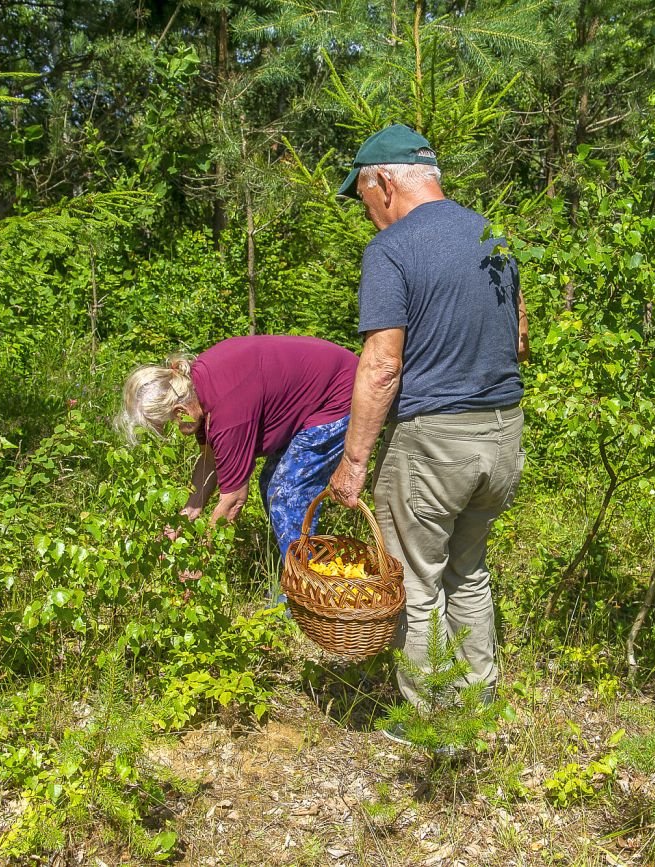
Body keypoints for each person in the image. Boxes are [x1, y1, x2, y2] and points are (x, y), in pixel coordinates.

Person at [327, 124, 529, 724]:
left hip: (434, 442)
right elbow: (520, 338)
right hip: (503, 433)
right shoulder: (494, 237)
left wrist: (354, 461)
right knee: (469, 573)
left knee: (415, 584)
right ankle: (476, 706)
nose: (367, 216)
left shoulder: (391, 251)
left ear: (384, 182)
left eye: (364, 200)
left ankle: (428, 722)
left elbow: (383, 364)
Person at [118, 335, 358, 563]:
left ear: (181, 410)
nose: (178, 430)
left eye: (172, 422)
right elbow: (209, 461)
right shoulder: (195, 388)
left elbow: (233, 500)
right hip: (317, 389)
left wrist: (201, 563)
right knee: (272, 486)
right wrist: (185, 517)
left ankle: (305, 590)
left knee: (285, 495)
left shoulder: (227, 413)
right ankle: (296, 573)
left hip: (342, 392)